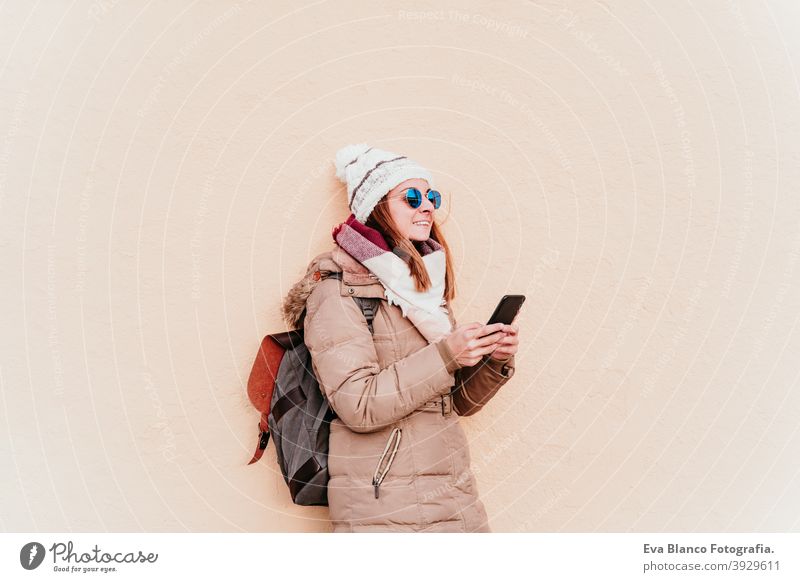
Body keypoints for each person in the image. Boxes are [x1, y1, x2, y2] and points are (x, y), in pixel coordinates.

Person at [281, 143, 520, 532]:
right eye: (411, 197)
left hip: (452, 496)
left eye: (432, 197)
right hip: (385, 504)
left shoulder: (422, 285)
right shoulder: (336, 290)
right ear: (376, 206)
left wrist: (492, 359)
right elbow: (356, 404)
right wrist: (446, 355)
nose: (426, 206)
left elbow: (455, 403)